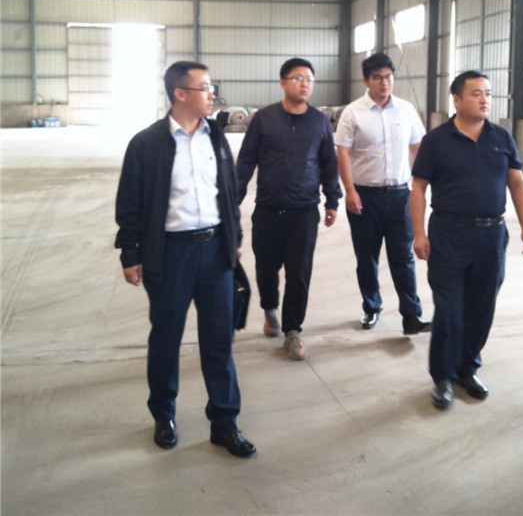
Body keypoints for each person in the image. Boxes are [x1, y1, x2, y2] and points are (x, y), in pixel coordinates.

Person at [115, 61, 256, 458]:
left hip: (215, 253)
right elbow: (129, 204)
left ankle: (224, 423)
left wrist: (234, 239)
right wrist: (131, 253)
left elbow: (227, 193)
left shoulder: (216, 138)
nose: (213, 95)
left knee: (219, 340)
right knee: (166, 338)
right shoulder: (147, 143)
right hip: (170, 254)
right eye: (205, 88)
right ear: (180, 94)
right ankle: (164, 415)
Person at [410, 70, 523, 410]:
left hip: (492, 235)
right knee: (450, 309)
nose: (485, 100)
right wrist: (419, 233)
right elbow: (418, 188)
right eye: (476, 93)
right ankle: (442, 376)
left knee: (482, 307)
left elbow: (517, 183)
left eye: (488, 93)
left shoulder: (501, 137)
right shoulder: (437, 140)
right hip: (449, 234)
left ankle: (467, 369)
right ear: (456, 100)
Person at [236, 57, 341, 361]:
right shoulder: (264, 119)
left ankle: (293, 330)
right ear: (283, 83)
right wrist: (232, 201)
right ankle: (270, 309)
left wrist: (332, 200)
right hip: (268, 209)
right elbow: (246, 161)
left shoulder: (320, 122)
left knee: (299, 272)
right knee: (266, 268)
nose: (304, 84)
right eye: (297, 78)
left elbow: (328, 164)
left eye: (309, 79)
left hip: (304, 211)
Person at [335, 53, 431, 335]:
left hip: (401, 196)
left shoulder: (406, 110)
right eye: (377, 77)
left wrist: (419, 185)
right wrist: (349, 191)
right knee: (367, 258)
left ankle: (411, 316)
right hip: (365, 197)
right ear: (366, 81)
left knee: (404, 257)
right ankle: (371, 307)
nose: (384, 82)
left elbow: (417, 147)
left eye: (388, 76)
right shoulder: (353, 112)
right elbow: (343, 152)